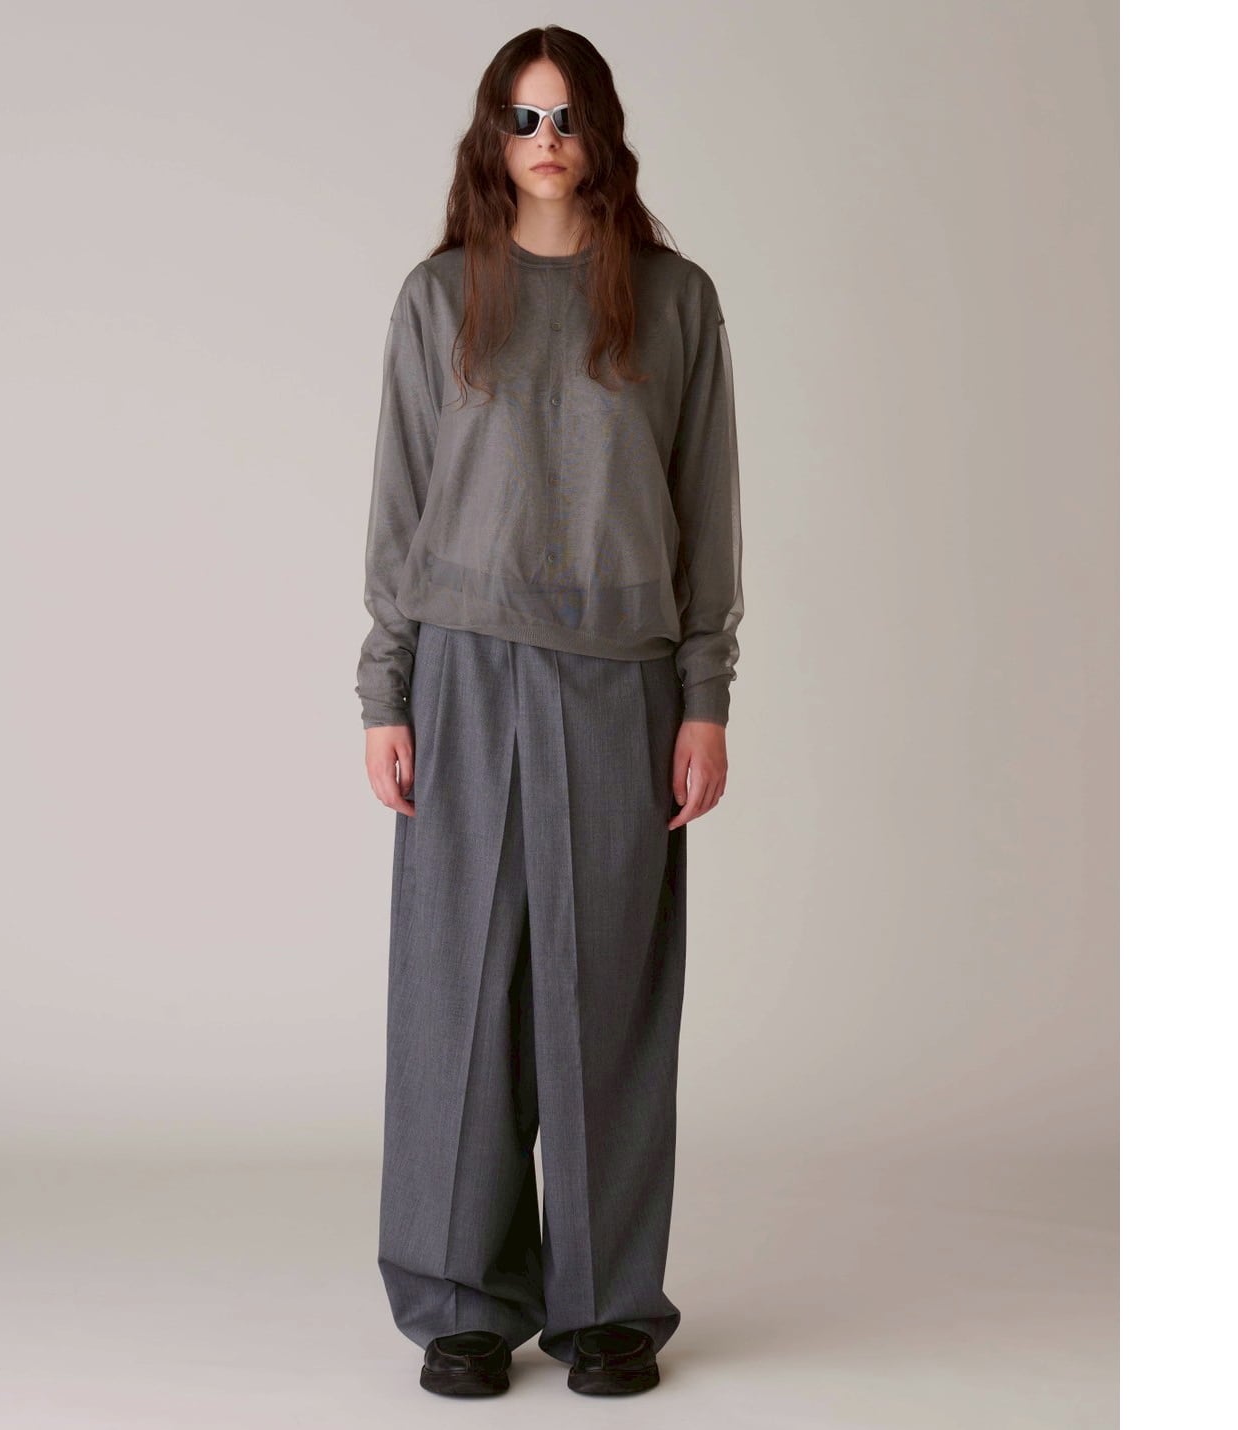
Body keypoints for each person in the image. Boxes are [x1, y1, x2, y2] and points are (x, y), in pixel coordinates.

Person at [355, 24, 744, 1398]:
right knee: (456, 988)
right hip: (464, 670)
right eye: (521, 119)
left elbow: (705, 505)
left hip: (621, 676)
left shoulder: (673, 299)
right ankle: (460, 1299)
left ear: (603, 131)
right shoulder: (439, 295)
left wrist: (703, 696)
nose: (545, 142)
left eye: (567, 116)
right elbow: (401, 502)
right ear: (490, 135)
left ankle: (606, 1305)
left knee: (607, 995)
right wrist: (386, 687)